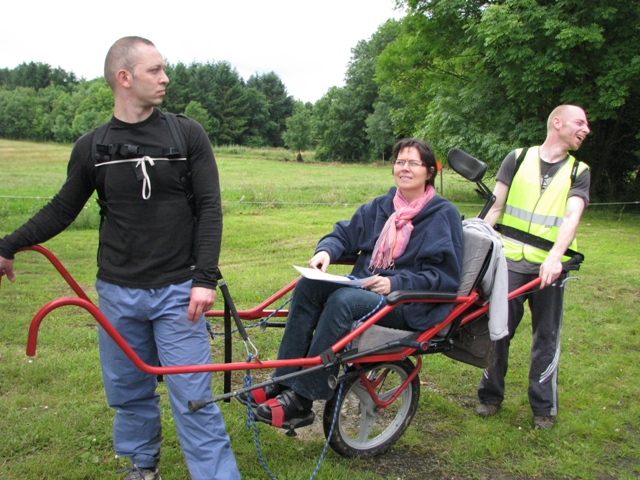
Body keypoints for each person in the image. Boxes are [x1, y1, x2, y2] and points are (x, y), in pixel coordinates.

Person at [0, 37, 240, 480]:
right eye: (155, 70)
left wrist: (204, 278)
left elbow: (209, 208)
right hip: (116, 294)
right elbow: (62, 208)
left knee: (193, 399)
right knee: (128, 392)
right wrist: (8, 242)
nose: (166, 78)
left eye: (164, 69)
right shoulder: (93, 147)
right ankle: (142, 466)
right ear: (124, 78)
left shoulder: (187, 135)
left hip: (179, 292)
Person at [245, 138, 463, 426]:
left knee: (342, 300)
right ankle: (283, 379)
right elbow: (344, 234)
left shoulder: (442, 214)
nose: (404, 168)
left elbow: (444, 277)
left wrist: (395, 282)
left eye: (413, 163)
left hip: (408, 302)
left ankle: (302, 398)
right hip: (367, 288)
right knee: (309, 285)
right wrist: (326, 251)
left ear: (429, 172)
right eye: (399, 161)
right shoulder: (382, 206)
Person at [475, 105, 591, 430]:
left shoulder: (578, 171)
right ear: (558, 122)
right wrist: (473, 247)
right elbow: (495, 207)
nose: (586, 129)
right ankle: (490, 396)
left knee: (546, 337)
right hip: (509, 261)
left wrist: (555, 257)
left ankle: (543, 407)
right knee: (498, 330)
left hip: (549, 268)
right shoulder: (518, 158)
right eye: (580, 122)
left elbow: (571, 216)